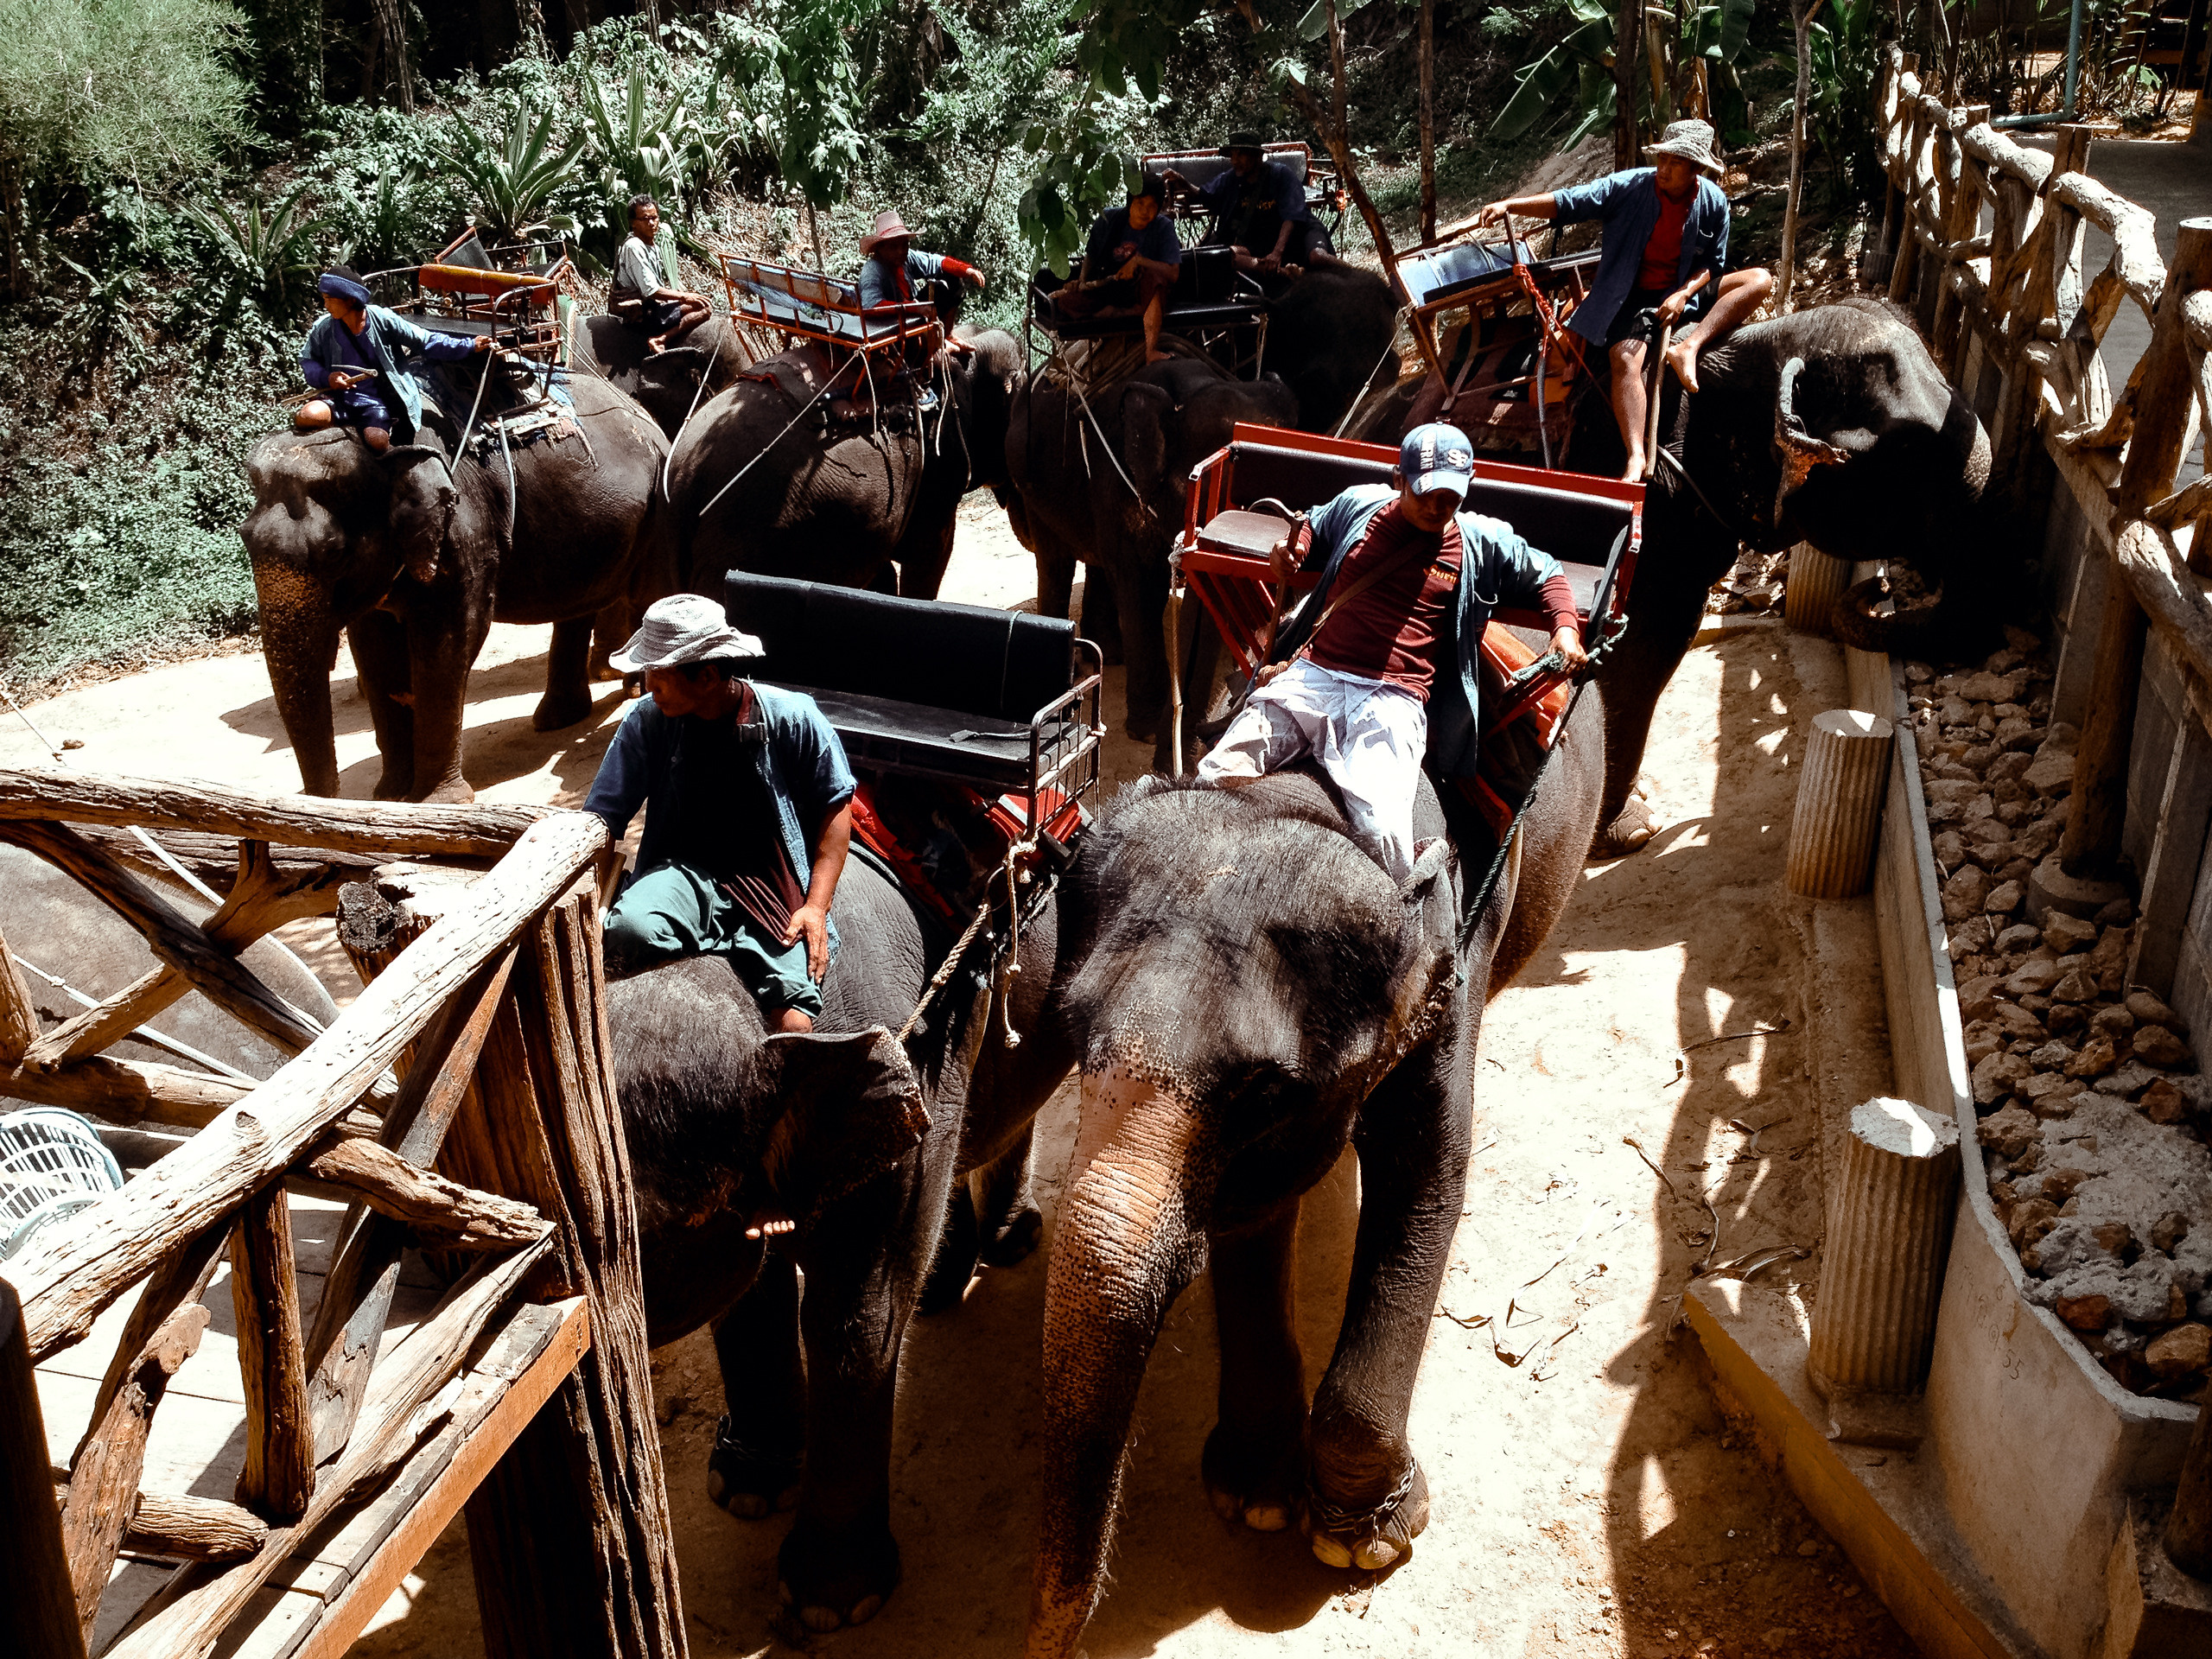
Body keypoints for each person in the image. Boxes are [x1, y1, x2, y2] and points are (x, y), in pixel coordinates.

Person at [1197, 423, 1586, 881]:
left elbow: (1547, 572)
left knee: (1381, 835)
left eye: (1451, 498)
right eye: (1425, 494)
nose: (1437, 508)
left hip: (1391, 701)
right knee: (1215, 778)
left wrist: (1565, 629)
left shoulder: (1482, 541)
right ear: (1399, 479)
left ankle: (1409, 919)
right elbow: (1314, 522)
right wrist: (1293, 549)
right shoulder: (1361, 504)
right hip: (1313, 677)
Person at [585, 593, 855, 1051]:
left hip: (771, 879)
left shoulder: (793, 717)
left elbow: (836, 805)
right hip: (684, 871)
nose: (647, 686)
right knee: (629, 930)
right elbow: (603, 815)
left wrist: (815, 907)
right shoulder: (647, 723)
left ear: (708, 675)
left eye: (657, 674)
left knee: (794, 1025)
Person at [1474, 119, 1772, 480]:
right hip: (1633, 295)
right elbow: (1571, 202)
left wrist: (1684, 293)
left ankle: (1689, 347)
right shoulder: (1630, 187)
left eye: (1675, 163)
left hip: (1683, 289)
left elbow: (1713, 263)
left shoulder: (1713, 201)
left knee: (1758, 279)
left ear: (1695, 169)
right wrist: (1512, 205)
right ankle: (1635, 454)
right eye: (1662, 159)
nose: (1663, 169)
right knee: (1625, 359)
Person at [296, 266, 492, 452]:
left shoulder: (383, 319)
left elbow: (426, 341)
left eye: (329, 299)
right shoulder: (324, 327)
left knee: (378, 442)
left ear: (350, 300)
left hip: (374, 401)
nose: (325, 305)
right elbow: (308, 360)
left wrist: (469, 345)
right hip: (340, 398)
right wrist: (327, 378)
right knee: (307, 416)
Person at [1048, 174, 1184, 364]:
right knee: (1066, 302)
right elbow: (1091, 255)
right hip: (1109, 289)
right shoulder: (1110, 219)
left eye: (1152, 206)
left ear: (1159, 207)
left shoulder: (1164, 227)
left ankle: (1150, 350)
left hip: (1143, 293)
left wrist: (1140, 262)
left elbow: (1173, 274)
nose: (1145, 211)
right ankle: (1118, 312)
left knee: (1156, 279)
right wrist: (1082, 281)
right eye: (1140, 203)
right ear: (1130, 202)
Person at [1163, 132, 1340, 275]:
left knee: (1318, 257)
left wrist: (1277, 253)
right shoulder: (1231, 179)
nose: (1235, 160)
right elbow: (1204, 195)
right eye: (1232, 155)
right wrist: (1183, 182)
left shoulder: (1280, 175)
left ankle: (1359, 274)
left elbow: (1292, 217)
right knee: (1227, 255)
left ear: (1256, 156)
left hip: (1297, 234)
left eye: (1241, 155)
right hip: (1262, 242)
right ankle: (1286, 274)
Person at [613, 194, 714, 353]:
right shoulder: (634, 246)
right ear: (633, 223)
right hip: (642, 314)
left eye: (654, 217)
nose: (651, 223)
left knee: (697, 302)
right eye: (645, 219)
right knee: (704, 309)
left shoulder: (652, 246)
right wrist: (684, 296)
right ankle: (660, 339)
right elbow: (651, 290)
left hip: (651, 306)